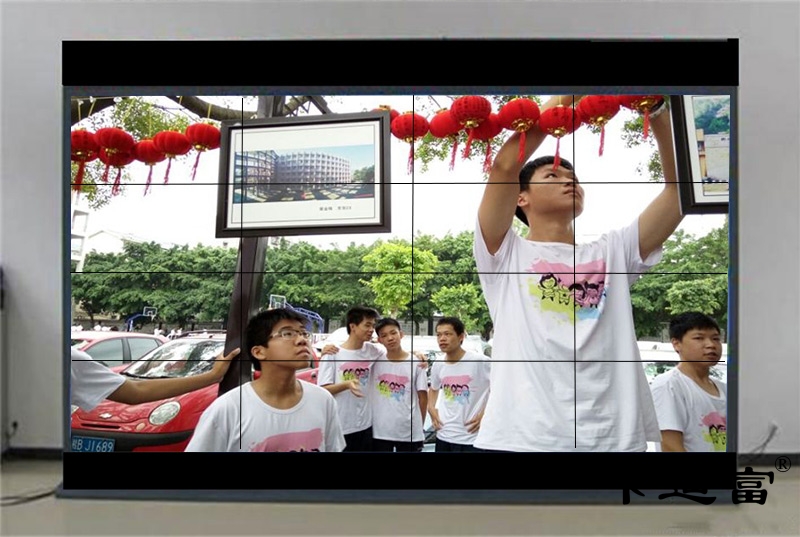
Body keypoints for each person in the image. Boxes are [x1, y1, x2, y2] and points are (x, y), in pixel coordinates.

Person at [473, 94, 683, 452]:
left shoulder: (612, 251)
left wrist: (658, 109)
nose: (569, 181)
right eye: (552, 175)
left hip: (612, 437)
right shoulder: (503, 253)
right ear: (520, 199)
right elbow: (505, 167)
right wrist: (564, 98)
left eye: (573, 176)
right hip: (523, 438)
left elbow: (681, 193)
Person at [185, 308, 345, 452]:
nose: (302, 340)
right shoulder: (229, 409)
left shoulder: (323, 400)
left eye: (303, 333)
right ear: (259, 352)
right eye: (287, 334)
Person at [70, 346, 240, 412]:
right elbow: (136, 392)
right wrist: (212, 376)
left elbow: (136, 392)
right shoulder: (67, 356)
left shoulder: (68, 357)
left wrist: (213, 376)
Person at [649, 312, 727, 452]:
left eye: (715, 338)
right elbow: (670, 446)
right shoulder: (669, 385)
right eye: (699, 338)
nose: (711, 345)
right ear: (676, 344)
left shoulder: (725, 389)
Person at [317, 306, 383, 452]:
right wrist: (346, 384)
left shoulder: (374, 351)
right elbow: (323, 390)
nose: (372, 329)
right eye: (367, 325)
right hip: (341, 426)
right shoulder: (332, 353)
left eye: (373, 325)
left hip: (367, 426)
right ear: (353, 326)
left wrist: (416, 354)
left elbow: (396, 353)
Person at [428, 317, 491, 452]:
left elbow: (500, 387)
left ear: (461, 336)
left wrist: (485, 413)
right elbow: (433, 389)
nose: (442, 339)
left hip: (472, 437)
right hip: (443, 435)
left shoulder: (480, 362)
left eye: (447, 334)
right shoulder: (438, 364)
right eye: (438, 335)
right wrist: (431, 407)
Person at [370, 318, 428, 452]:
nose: (390, 338)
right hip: (380, 432)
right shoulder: (374, 362)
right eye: (384, 335)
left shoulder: (416, 363)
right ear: (379, 340)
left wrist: (419, 427)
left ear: (401, 334)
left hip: (409, 432)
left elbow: (423, 398)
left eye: (393, 333)